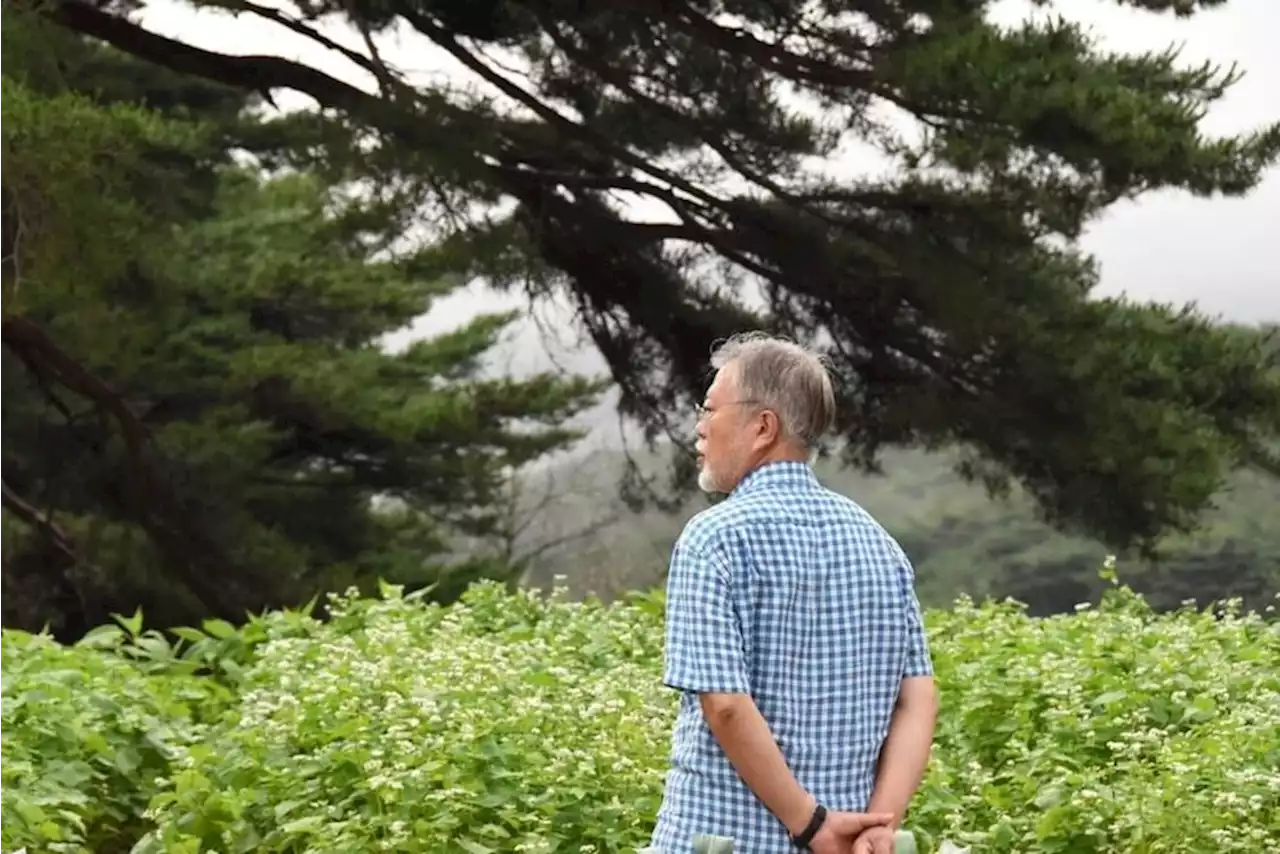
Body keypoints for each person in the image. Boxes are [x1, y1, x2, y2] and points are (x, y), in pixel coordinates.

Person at [648, 332, 939, 854]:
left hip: (723, 839)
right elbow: (917, 698)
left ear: (763, 427)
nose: (699, 426)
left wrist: (809, 824)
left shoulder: (713, 537)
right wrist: (879, 824)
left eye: (710, 409)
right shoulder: (880, 544)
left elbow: (727, 706)